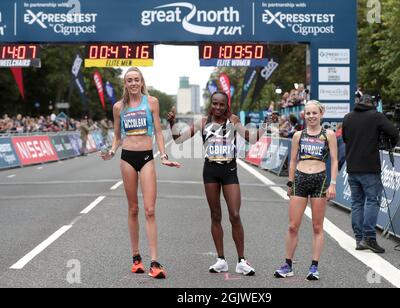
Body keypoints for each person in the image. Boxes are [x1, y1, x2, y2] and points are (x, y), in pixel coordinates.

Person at [167, 91, 275, 276]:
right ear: (211, 104)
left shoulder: (232, 120)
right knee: (215, 215)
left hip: (229, 170)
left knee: (234, 214)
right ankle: (221, 260)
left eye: (221, 104)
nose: (218, 107)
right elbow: (178, 139)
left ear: (227, 105)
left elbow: (252, 137)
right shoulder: (203, 121)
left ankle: (241, 260)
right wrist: (171, 123)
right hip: (210, 170)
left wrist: (267, 124)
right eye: (215, 103)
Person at [100, 67, 181, 279]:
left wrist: (163, 156)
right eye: (130, 80)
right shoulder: (119, 107)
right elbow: (117, 136)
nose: (133, 83)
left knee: (150, 209)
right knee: (133, 209)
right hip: (127, 158)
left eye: (137, 79)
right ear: (125, 84)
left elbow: (158, 132)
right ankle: (136, 258)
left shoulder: (152, 102)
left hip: (146, 157)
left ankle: (155, 262)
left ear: (142, 82)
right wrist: (111, 151)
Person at [274, 100, 338, 281]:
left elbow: (334, 160)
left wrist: (332, 183)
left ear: (321, 114)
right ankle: (288, 264)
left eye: (314, 113)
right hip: (300, 180)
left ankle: (314, 267)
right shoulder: (298, 135)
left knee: (317, 226)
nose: (311, 116)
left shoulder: (329, 135)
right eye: (308, 113)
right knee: (293, 226)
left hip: (320, 180)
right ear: (304, 115)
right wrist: (290, 182)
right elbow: (292, 161)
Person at [342, 94, 398, 253]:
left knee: (357, 203)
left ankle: (359, 239)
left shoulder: (348, 117)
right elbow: (394, 132)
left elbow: (346, 139)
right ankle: (369, 238)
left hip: (352, 167)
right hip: (369, 168)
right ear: (372, 104)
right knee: (372, 201)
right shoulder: (376, 116)